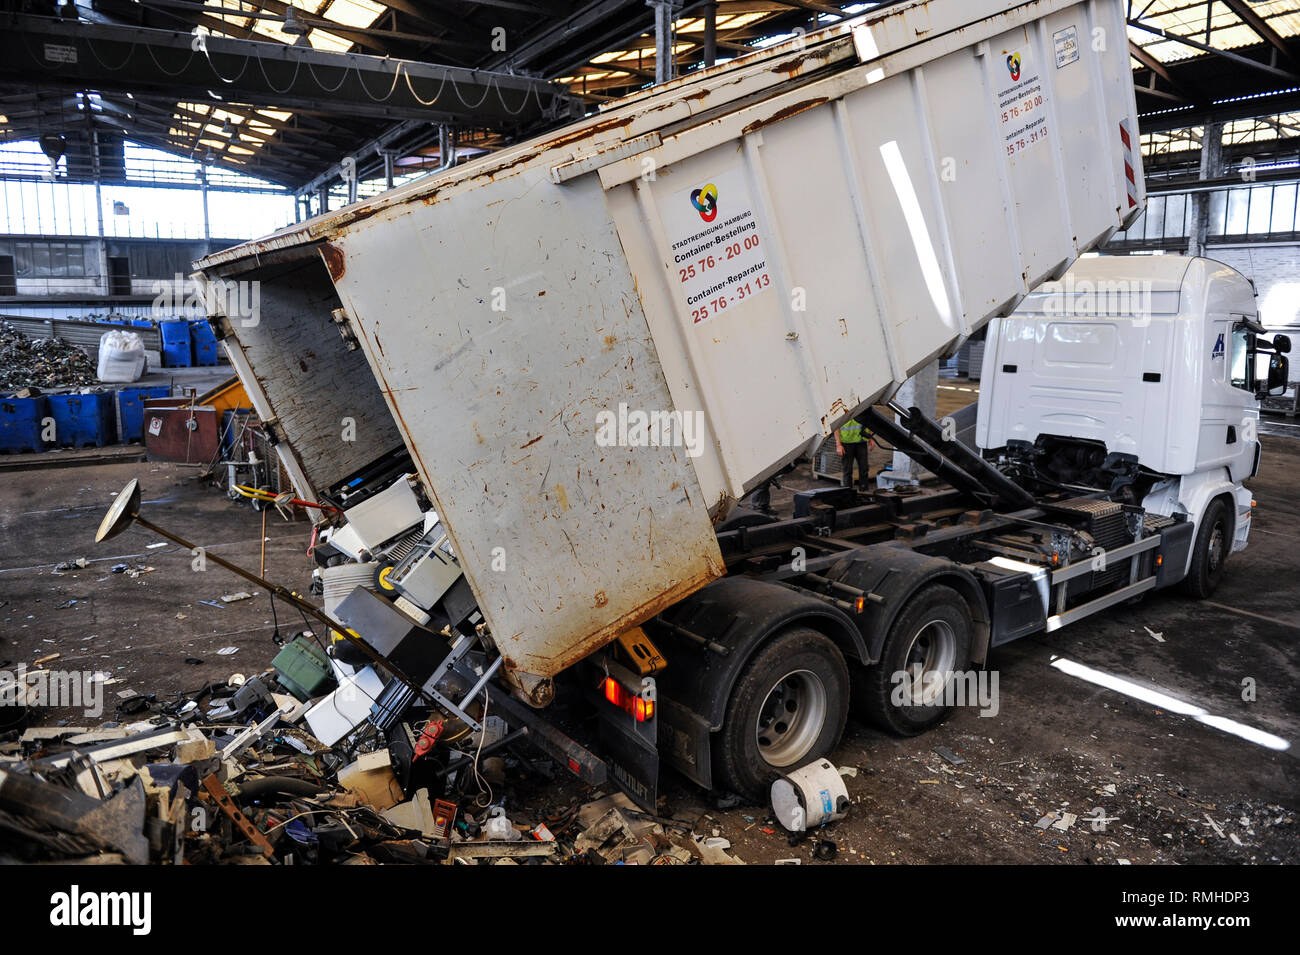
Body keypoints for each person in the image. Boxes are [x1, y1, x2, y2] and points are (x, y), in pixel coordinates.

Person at [835, 417, 872, 490]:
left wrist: (871, 439)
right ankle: (847, 491)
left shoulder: (860, 408)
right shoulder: (841, 410)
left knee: (864, 468)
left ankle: (864, 490)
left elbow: (868, 423)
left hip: (861, 442)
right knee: (847, 470)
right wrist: (838, 445)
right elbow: (836, 428)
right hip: (846, 444)